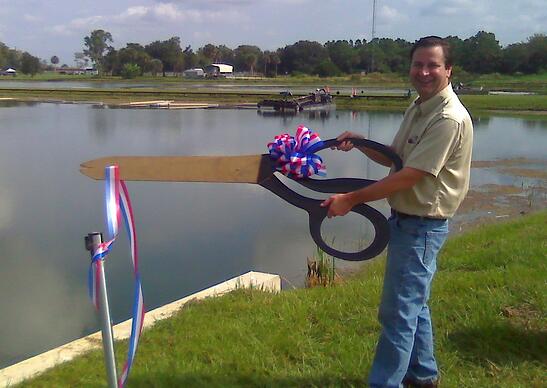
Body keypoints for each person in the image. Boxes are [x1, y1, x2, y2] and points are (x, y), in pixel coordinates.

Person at [321, 36, 473, 387]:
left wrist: (352, 199)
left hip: (422, 225)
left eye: (433, 65)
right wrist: (361, 143)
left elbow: (410, 176)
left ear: (448, 70)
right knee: (413, 304)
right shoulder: (420, 107)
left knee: (397, 314)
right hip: (407, 223)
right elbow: (397, 159)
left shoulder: (448, 118)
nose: (424, 71)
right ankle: (422, 376)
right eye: (418, 64)